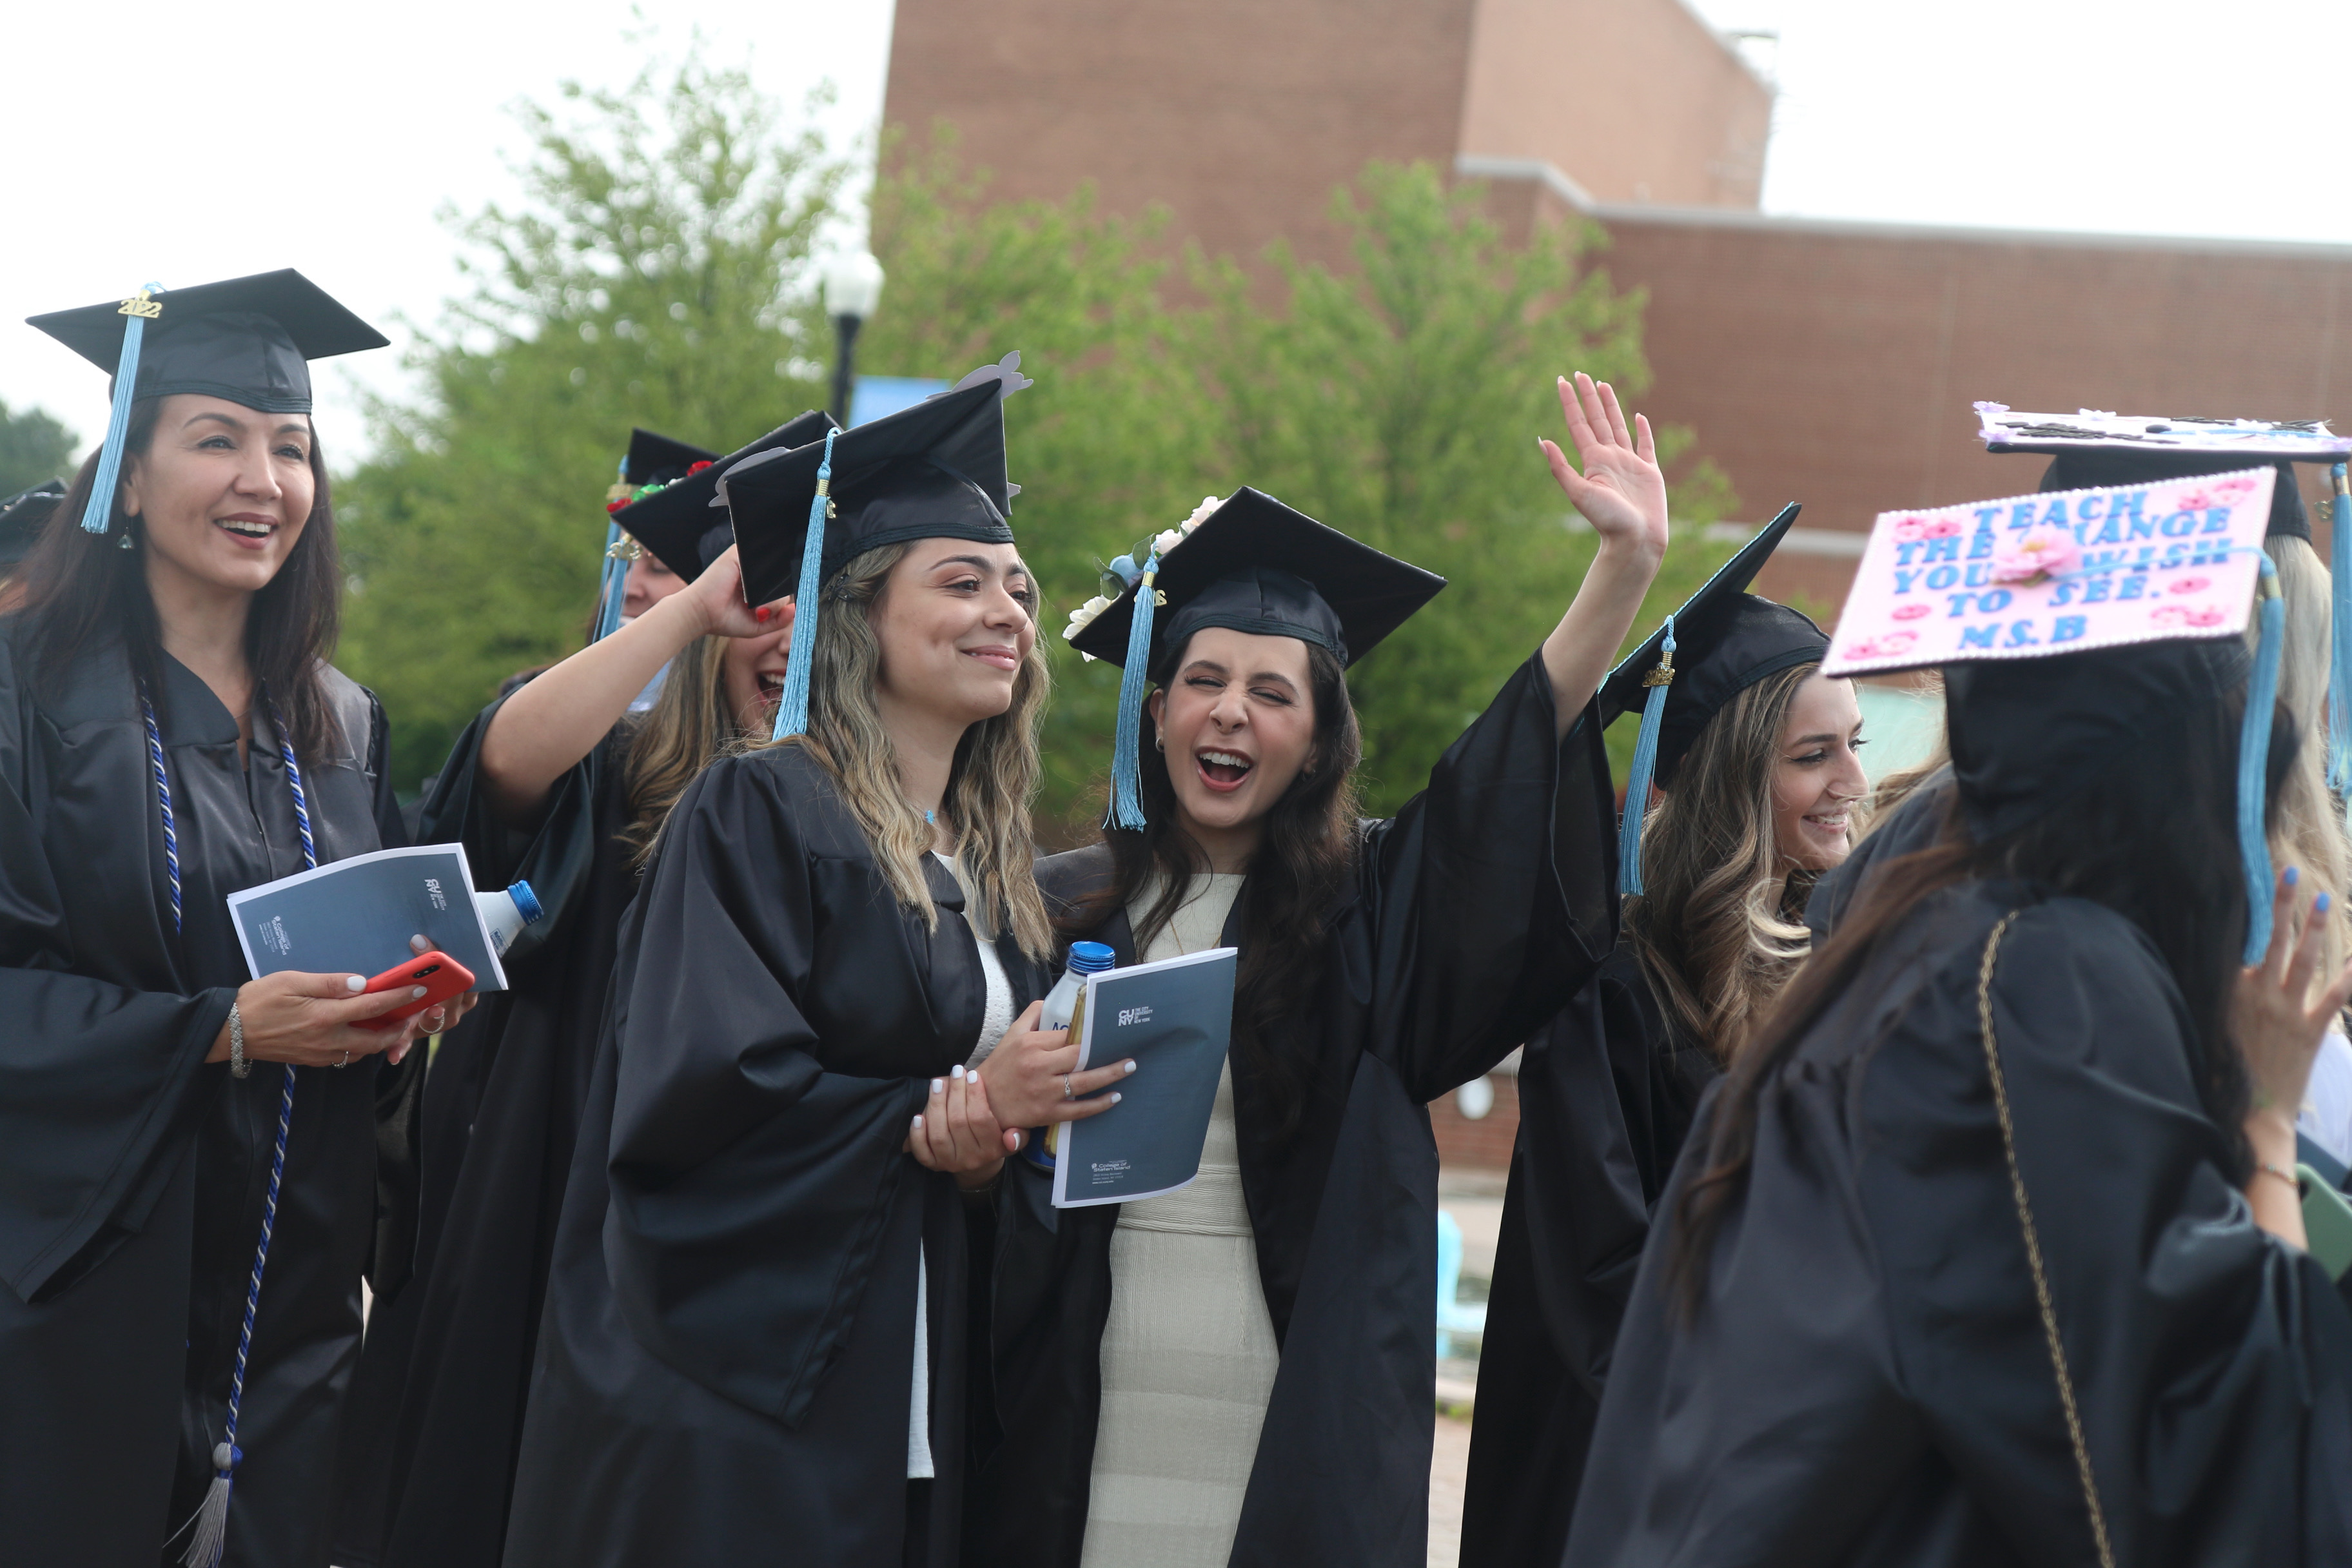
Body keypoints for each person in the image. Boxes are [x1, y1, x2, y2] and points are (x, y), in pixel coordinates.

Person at [966, 371, 1663, 1568]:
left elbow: (1494, 791)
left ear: (1318, 736)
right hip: (1068, 1384)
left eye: (1272, 692)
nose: (1230, 714)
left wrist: (1621, 576)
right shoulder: (1050, 900)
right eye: (1203, 680)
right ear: (1156, 707)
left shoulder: (1370, 910)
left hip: (1285, 1393)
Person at [1565, 514, 2352, 1562]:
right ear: (2175, 775)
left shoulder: (1910, 938)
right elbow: (2225, 1451)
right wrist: (2265, 1114)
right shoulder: (2051, 986)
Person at [503, 358, 1103, 1566]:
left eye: (1021, 589)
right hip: (740, 1384)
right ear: (860, 611)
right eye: (964, 581)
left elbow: (969, 1149)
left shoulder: (990, 869)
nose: (1008, 611)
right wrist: (964, 1109)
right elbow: (705, 1089)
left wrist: (990, 1145)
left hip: (901, 1371)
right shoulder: (763, 806)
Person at [0, 271, 459, 1567]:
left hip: (290, 1315)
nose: (264, 477)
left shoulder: (340, 719)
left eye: (291, 446)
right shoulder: (24, 691)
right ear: (127, 476)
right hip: (71, 1296)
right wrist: (217, 1031)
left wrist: (393, 1012)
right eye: (217, 439)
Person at [330, 413, 831, 1568]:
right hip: (537, 1172)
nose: (783, 634)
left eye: (808, 614)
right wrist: (686, 613)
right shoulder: (616, 769)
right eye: (754, 608)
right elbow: (505, 758)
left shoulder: (830, 814)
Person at [1460, 507, 1864, 1567]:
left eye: (1854, 747)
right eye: (1813, 756)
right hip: (1654, 1475)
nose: (1851, 784)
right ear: (1732, 775)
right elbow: (1592, 1278)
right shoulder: (1617, 981)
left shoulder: (1835, 962)